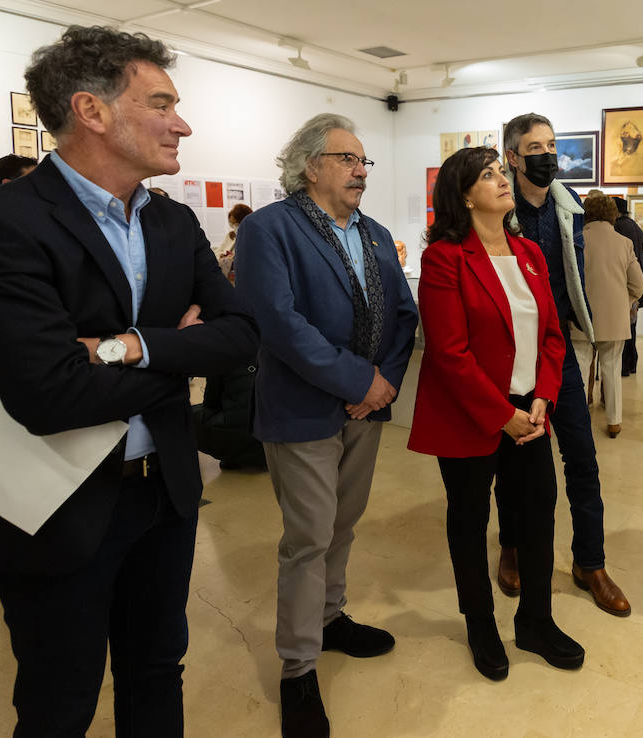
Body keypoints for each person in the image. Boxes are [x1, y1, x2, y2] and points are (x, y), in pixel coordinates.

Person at [0, 25, 259, 736]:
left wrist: (126, 348)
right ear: (92, 111)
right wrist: (175, 354)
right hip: (51, 498)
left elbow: (239, 338)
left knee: (158, 669)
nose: (183, 123)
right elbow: (49, 395)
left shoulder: (169, 220)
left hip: (163, 489)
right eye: (162, 103)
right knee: (59, 697)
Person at [236, 112, 417, 738]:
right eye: (348, 159)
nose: (361, 170)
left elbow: (402, 311)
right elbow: (280, 324)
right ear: (311, 166)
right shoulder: (269, 229)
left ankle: (332, 618)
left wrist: (383, 382)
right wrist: (356, 380)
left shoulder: (372, 233)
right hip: (304, 409)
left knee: (344, 522)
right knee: (309, 536)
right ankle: (298, 668)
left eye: (365, 161)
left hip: (365, 408)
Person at [408, 146, 583, 682]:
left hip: (530, 413)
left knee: (537, 514)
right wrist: (500, 413)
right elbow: (448, 352)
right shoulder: (445, 257)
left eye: (500, 172)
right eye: (488, 176)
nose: (503, 181)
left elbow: (552, 336)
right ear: (464, 195)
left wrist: (541, 400)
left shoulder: (528, 251)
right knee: (469, 521)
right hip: (471, 414)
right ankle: (480, 623)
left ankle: (536, 619)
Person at [497, 113, 630, 617]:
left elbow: (573, 278)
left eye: (552, 145)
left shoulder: (568, 206)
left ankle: (589, 562)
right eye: (535, 146)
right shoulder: (496, 209)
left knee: (582, 458)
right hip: (511, 358)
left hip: (560, 352)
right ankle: (510, 545)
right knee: (513, 460)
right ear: (512, 156)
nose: (547, 155)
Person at [580, 194, 643, 437]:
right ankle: (614, 422)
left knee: (580, 368)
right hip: (614, 318)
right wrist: (622, 303)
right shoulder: (624, 242)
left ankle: (579, 418)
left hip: (581, 315)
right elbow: (637, 285)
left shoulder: (576, 240)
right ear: (613, 215)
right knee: (612, 369)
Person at [614, 196, 643, 376]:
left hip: (625, 287)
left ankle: (625, 366)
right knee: (631, 328)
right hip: (636, 285)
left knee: (625, 330)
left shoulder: (619, 227)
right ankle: (631, 364)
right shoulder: (635, 226)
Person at [216, 202, 252, 280]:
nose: (233, 227)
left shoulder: (252, 239)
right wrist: (222, 255)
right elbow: (219, 250)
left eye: (236, 224)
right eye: (231, 224)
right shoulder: (230, 236)